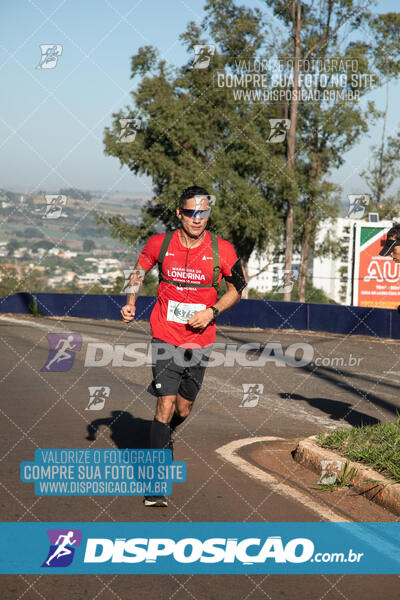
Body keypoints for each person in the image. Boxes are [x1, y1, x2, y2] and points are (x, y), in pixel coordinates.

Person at [120, 186, 246, 506]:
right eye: (190, 213)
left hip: (201, 339)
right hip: (164, 333)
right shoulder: (159, 244)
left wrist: (213, 311)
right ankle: (156, 484)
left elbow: (237, 289)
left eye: (202, 213)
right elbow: (138, 272)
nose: (196, 219)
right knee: (164, 403)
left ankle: (163, 437)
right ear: (179, 213)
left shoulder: (223, 250)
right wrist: (131, 301)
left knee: (183, 407)